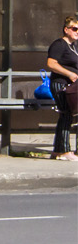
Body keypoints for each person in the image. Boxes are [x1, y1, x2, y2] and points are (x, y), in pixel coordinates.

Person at [45, 14, 78, 161]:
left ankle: (58, 151)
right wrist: (69, 74)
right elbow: (51, 64)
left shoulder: (74, 47)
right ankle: (64, 150)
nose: (77, 32)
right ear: (66, 29)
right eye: (75, 29)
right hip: (62, 84)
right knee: (66, 114)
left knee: (70, 115)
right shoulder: (59, 44)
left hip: (73, 85)